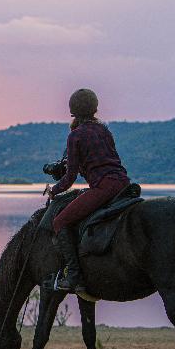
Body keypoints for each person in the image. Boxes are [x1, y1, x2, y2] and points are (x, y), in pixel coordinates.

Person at [49, 88, 130, 293]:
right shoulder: (105, 131)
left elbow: (70, 178)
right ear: (94, 108)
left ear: (73, 111)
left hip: (104, 187)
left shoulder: (75, 136)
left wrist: (54, 190)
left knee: (59, 221)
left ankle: (74, 275)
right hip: (123, 184)